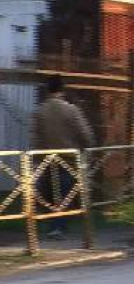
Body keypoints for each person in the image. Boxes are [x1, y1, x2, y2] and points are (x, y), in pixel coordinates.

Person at [31, 75, 95, 239]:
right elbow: (86, 134)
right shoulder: (71, 110)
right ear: (62, 89)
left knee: (50, 195)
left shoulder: (39, 111)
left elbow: (35, 138)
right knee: (66, 195)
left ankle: (51, 226)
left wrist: (36, 160)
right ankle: (59, 227)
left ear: (48, 89)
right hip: (68, 159)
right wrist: (87, 150)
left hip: (46, 160)